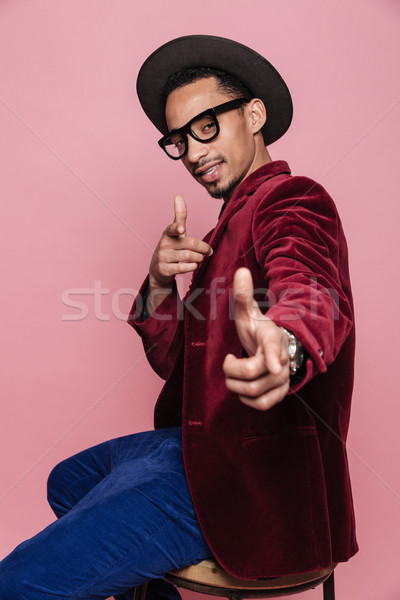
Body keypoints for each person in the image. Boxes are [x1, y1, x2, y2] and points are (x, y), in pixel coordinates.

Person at [0, 35, 358, 600]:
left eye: (207, 126)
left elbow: (313, 290)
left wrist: (286, 347)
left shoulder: (293, 200)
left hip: (252, 475)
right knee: (65, 480)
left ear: (254, 114)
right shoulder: (221, 232)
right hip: (193, 443)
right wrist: (162, 281)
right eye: (178, 139)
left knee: (15, 582)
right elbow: (178, 366)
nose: (192, 151)